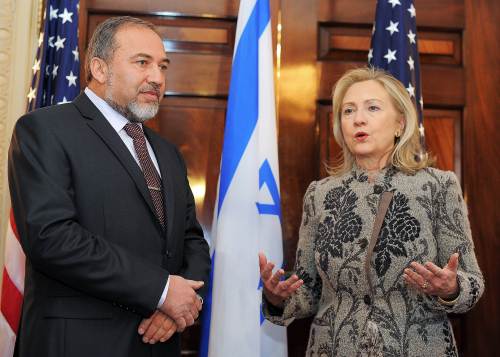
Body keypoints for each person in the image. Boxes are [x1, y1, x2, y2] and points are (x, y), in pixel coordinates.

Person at [8, 16, 210, 357]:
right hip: (78, 344)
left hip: (159, 342)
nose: (157, 78)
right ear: (100, 69)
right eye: (142, 63)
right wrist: (161, 291)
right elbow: (51, 237)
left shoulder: (167, 152)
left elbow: (191, 239)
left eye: (163, 66)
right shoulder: (44, 130)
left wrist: (181, 304)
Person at [259, 67, 484, 356]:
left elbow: (473, 283)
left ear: (400, 124)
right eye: (348, 111)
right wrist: (277, 297)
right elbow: (309, 290)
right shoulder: (320, 194)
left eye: (372, 108)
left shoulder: (438, 186)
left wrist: (451, 288)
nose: (358, 119)